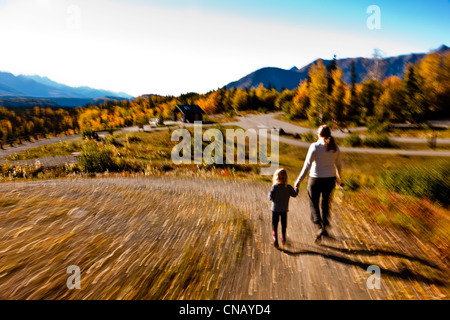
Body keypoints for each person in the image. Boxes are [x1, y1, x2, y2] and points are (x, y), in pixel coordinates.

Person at [294, 125, 342, 242]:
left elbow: (307, 166)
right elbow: (339, 164)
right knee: (325, 203)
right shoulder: (335, 147)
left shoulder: (315, 146)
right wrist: (339, 178)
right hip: (330, 180)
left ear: (319, 134)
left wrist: (298, 181)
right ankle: (324, 226)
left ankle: (319, 226)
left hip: (315, 179)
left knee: (313, 203)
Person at [268, 168, 299, 248]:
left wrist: (269, 194)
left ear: (276, 178)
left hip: (275, 210)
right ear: (286, 178)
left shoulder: (274, 187)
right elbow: (295, 194)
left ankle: (275, 239)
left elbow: (270, 198)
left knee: (274, 224)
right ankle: (283, 237)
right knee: (283, 224)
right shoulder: (288, 187)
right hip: (284, 210)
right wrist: (296, 188)